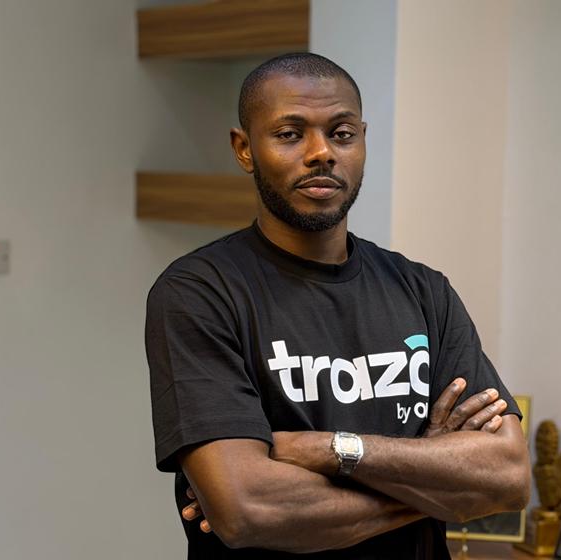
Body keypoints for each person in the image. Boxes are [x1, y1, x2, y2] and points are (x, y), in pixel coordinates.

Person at [145, 53, 530, 559]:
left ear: (363, 140)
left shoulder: (424, 291)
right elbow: (247, 509)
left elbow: (507, 478)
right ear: (244, 149)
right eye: (290, 134)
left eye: (342, 133)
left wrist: (325, 450)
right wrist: (437, 482)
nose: (321, 152)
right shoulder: (200, 293)